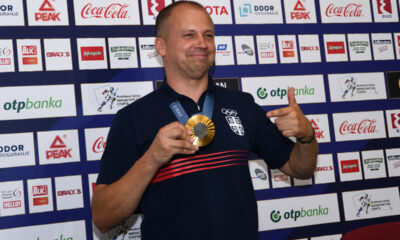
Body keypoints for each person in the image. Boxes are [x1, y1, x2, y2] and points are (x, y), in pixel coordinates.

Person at [91, 1, 318, 239]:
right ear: (161, 46)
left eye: (208, 35)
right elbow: (103, 218)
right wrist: (151, 160)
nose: (202, 43)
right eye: (189, 35)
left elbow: (300, 168)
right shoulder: (133, 118)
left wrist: (306, 137)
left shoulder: (241, 105)